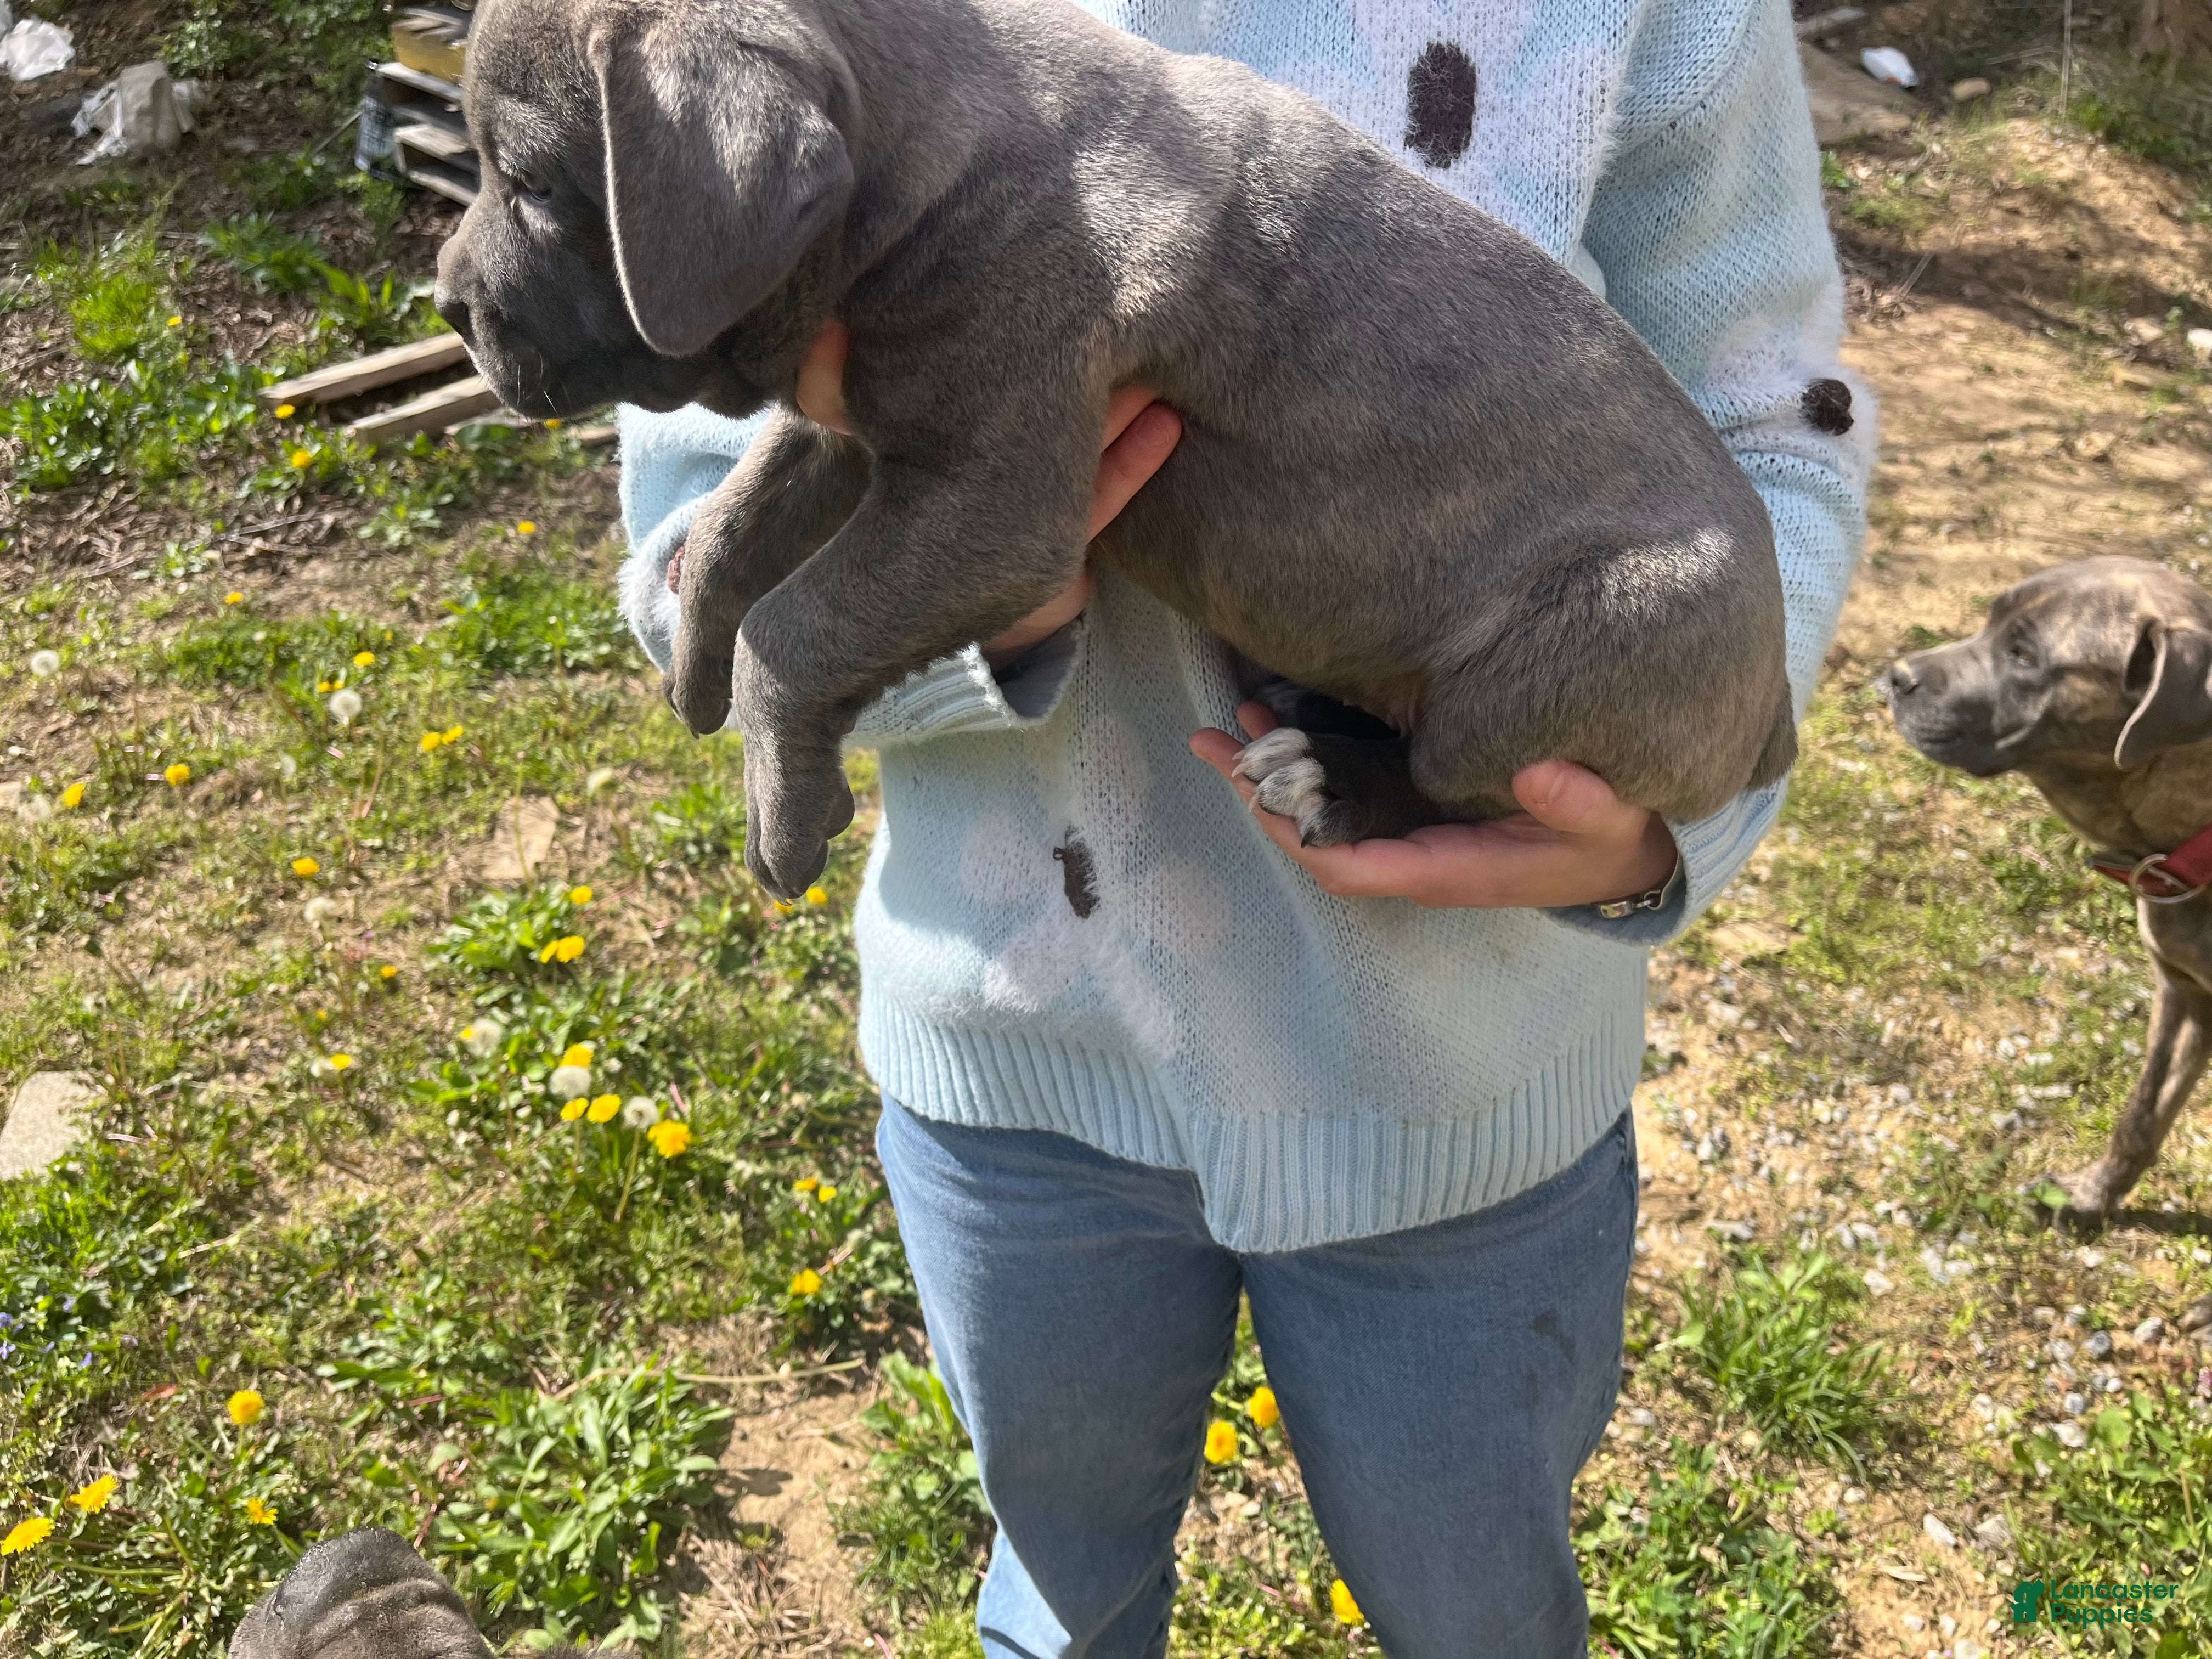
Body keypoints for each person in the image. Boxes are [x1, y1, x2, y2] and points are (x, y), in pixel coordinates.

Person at [616, 0, 1870, 1651]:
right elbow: (684, 535)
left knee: (1479, 1611)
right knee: (1066, 1600)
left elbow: (1781, 428)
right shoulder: (735, 31)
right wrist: (971, 593)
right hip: (1021, 1061)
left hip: (1462, 1081)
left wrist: (1661, 802)